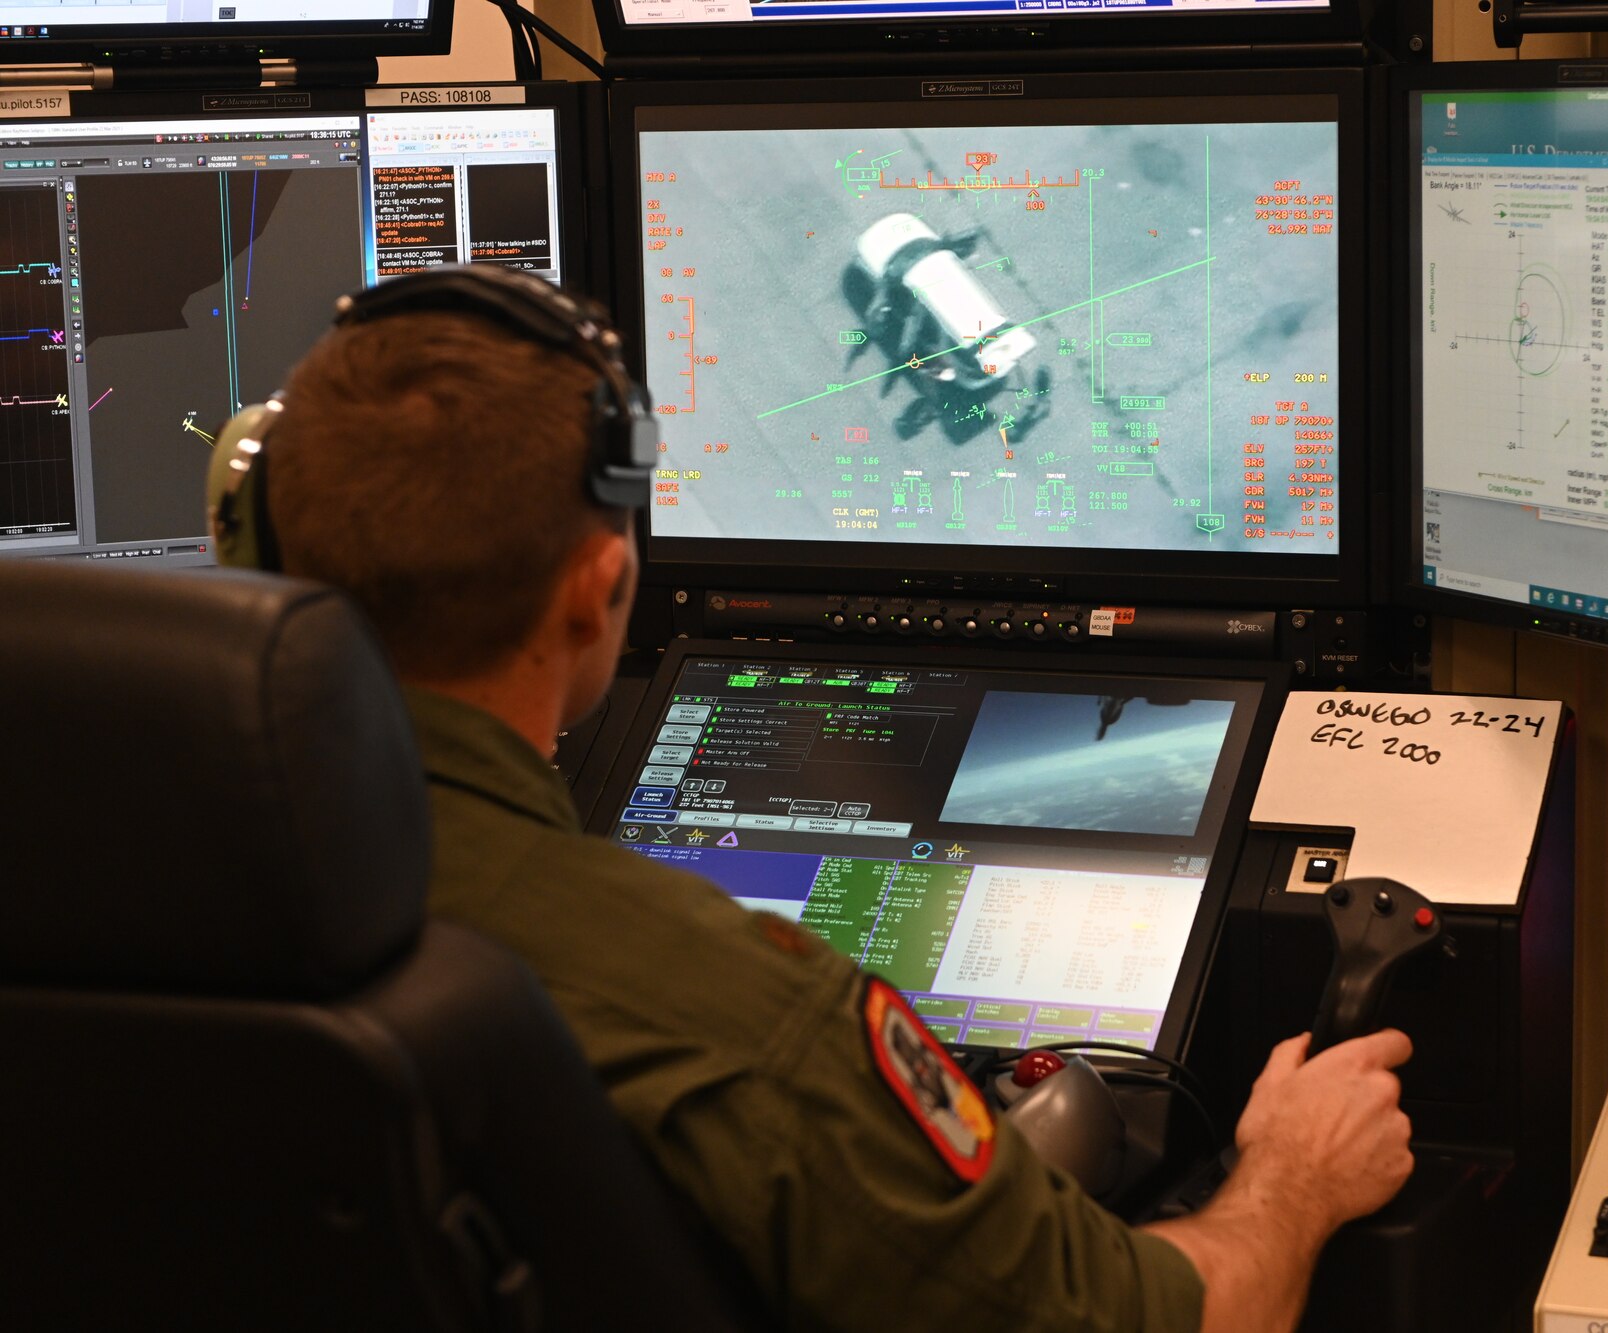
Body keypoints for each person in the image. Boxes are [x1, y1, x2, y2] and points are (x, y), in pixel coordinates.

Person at [243, 265, 1416, 1332]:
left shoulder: (105, 895)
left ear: (253, 544)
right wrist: (1291, 1176)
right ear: (595, 593)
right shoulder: (735, 1015)